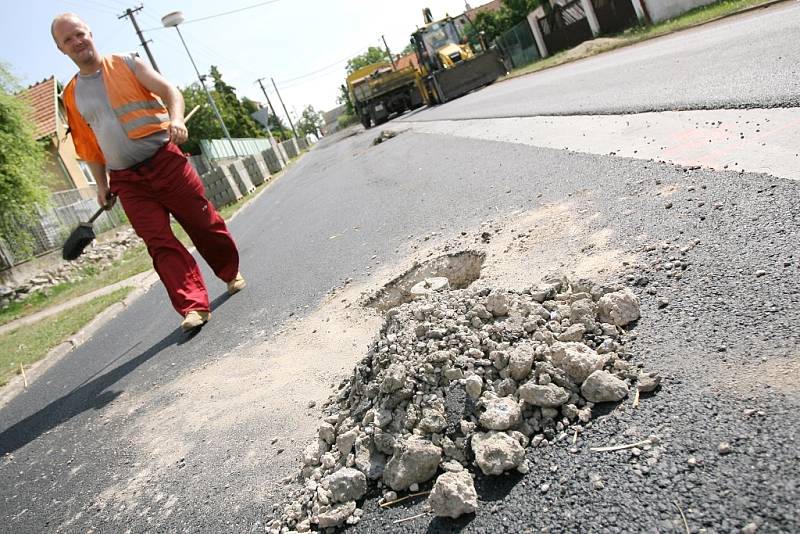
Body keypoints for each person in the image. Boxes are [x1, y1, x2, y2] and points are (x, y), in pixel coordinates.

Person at [52, 13, 245, 333]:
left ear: (90, 32)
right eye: (68, 40)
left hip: (166, 161)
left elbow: (171, 91)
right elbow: (88, 146)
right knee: (158, 241)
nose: (77, 42)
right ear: (62, 50)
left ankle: (229, 271)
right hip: (127, 180)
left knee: (203, 223)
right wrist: (101, 184)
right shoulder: (70, 95)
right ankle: (193, 305)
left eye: (79, 34)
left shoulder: (128, 63)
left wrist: (177, 118)